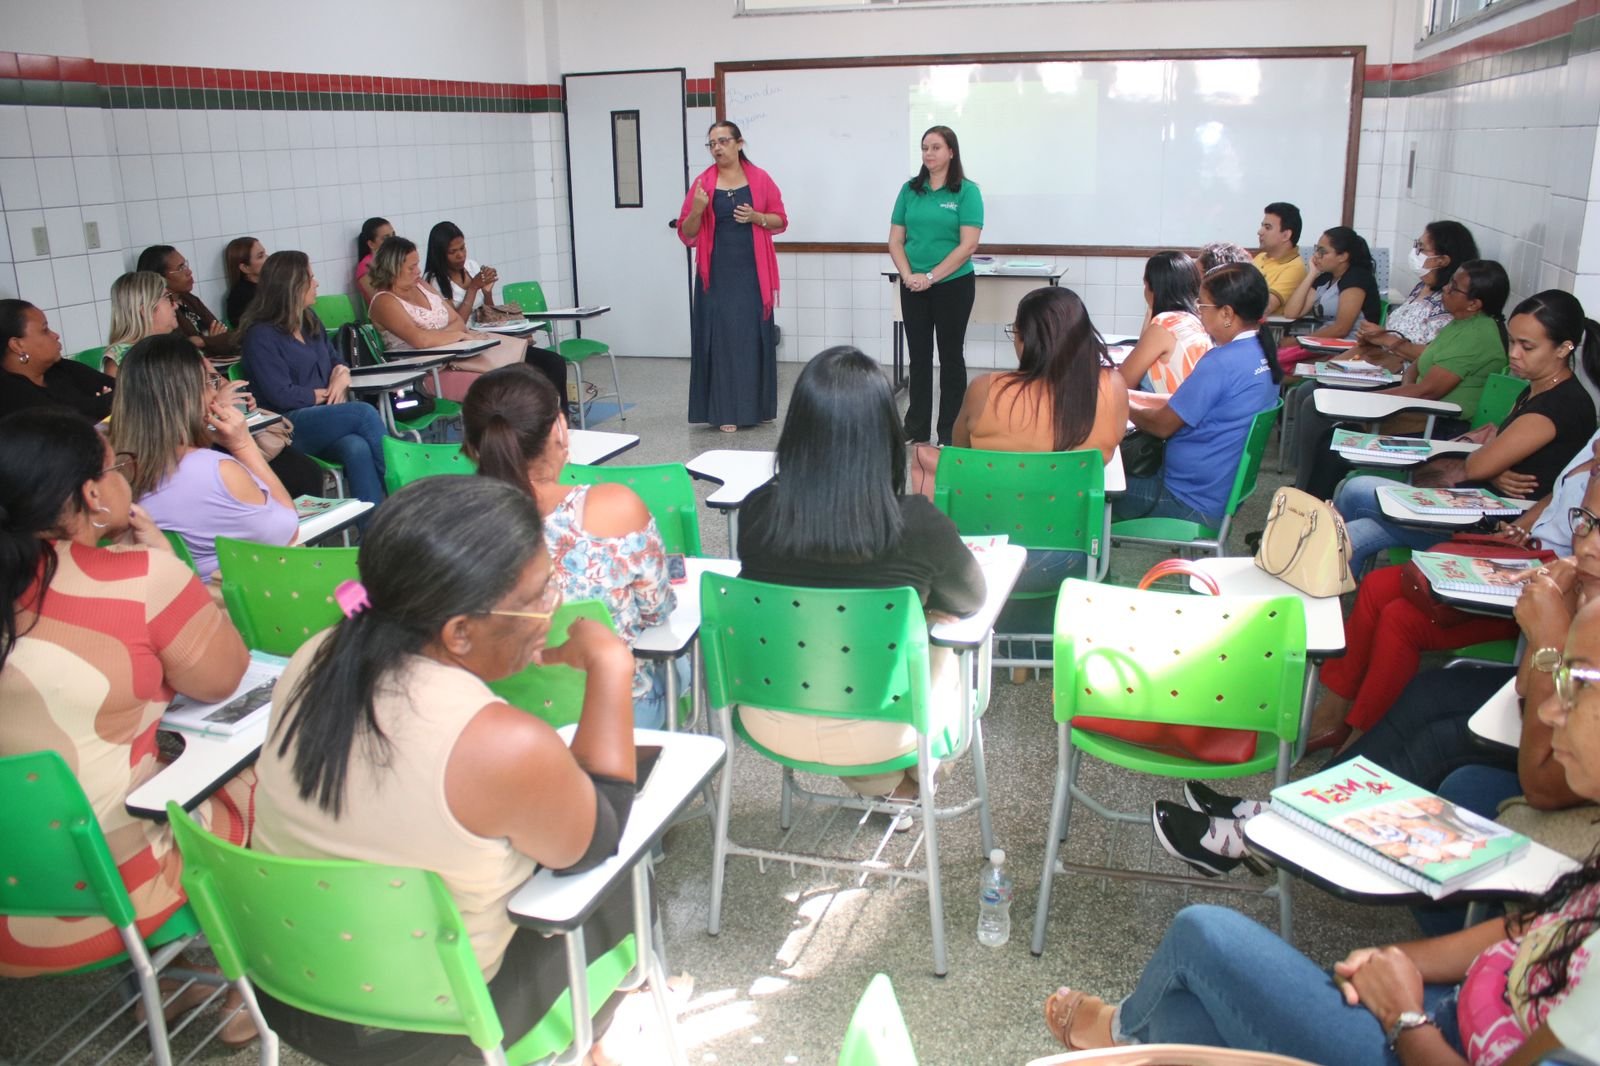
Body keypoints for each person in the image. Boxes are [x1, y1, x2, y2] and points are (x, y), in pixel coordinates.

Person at [1046, 597, 1600, 1066]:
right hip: (1465, 1005)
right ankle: (1278, 822)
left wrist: (1404, 1016)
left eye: (1578, 681)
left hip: (1431, 1038)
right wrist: (1394, 961)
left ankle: (1118, 1027)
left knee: (1201, 935)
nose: (1552, 712)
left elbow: (1542, 792)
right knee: (1185, 1015)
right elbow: (1532, 928)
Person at [250, 476, 640, 1064]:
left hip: (292, 991)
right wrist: (612, 666)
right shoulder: (497, 743)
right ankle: (590, 1047)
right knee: (623, 886)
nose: (551, 607)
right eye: (539, 595)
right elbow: (596, 837)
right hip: (434, 1028)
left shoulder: (317, 654)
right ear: (459, 631)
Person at [1156, 455, 1600, 877]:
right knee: (1427, 693)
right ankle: (1288, 809)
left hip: (1555, 757)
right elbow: (1525, 689)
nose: (1589, 544)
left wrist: (1549, 638)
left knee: (1442, 740)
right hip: (1545, 694)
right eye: (1586, 521)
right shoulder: (1578, 585)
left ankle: (1269, 838)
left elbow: (1543, 778)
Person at [0, 409, 255, 981]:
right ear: (92, 495)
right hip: (111, 897)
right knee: (272, 774)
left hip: (10, 902)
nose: (125, 481)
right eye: (117, 469)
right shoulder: (141, 578)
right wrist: (168, 567)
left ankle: (168, 981)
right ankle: (261, 984)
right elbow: (223, 677)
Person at [735, 346, 985, 803]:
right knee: (946, 634)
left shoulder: (754, 513)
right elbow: (971, 599)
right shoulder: (916, 524)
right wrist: (925, 611)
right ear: (884, 435)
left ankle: (889, 789)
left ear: (797, 431)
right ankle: (904, 786)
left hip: (768, 718)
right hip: (881, 731)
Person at [463, 363, 681, 728]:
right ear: (560, 428)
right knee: (687, 655)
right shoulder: (615, 506)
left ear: (473, 446)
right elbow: (655, 613)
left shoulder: (447, 519)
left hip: (500, 716)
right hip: (612, 715)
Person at [1331, 287, 1596, 575]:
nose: (1514, 354)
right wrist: (1493, 468)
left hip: (1496, 521)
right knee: (1355, 522)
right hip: (1479, 503)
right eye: (1511, 342)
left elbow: (1477, 464)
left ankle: (1345, 584)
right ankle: (1343, 588)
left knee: (1355, 496)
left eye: (1527, 347)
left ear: (1563, 348)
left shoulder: (1558, 406)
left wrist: (1489, 467)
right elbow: (1489, 456)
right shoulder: (1537, 388)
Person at [951, 286, 1127, 629]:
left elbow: (959, 454)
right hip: (1070, 556)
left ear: (1025, 340)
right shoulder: (1112, 388)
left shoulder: (986, 390)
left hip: (982, 553)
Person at [1294, 258, 1514, 501]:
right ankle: (1304, 507)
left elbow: (1429, 392)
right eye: (1450, 282)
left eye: (1454, 287)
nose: (1446, 289)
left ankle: (1310, 515)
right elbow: (1417, 369)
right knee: (1334, 434)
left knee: (1334, 444)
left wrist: (1366, 401)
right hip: (1420, 413)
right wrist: (1396, 392)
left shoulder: (1477, 335)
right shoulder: (1459, 324)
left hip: (1441, 426)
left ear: (1474, 303)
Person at [109, 334, 297, 582]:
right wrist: (242, 445)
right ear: (187, 397)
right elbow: (288, 531)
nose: (213, 395)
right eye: (208, 384)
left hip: (173, 604)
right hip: (242, 609)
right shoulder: (215, 470)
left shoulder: (111, 473)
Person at [1118, 263, 1281, 531]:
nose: (1198, 311)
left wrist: (1119, 401)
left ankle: (1088, 567)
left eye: (1203, 306)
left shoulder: (1220, 363)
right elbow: (1181, 402)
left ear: (1227, 313)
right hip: (1219, 494)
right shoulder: (1259, 352)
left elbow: (1162, 426)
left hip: (1184, 500)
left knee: (1090, 487)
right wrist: (1129, 397)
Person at [239, 251, 388, 509]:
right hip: (288, 424)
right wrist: (328, 393)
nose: (316, 283)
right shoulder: (261, 336)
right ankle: (409, 490)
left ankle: (373, 535)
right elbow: (281, 394)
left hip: (324, 417)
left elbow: (336, 360)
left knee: (357, 447)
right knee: (363, 413)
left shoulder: (309, 321)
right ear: (291, 286)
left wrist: (341, 376)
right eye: (310, 277)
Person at [678, 121, 787, 433]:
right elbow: (687, 233)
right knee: (724, 339)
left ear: (739, 144)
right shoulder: (703, 183)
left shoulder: (760, 179)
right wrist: (698, 209)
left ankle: (759, 408)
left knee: (753, 336)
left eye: (723, 141)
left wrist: (757, 217)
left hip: (753, 273)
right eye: (712, 143)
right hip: (717, 275)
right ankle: (726, 410)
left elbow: (781, 219)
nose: (717, 147)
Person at [366, 236, 568, 403]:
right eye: (411, 268)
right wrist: (457, 336)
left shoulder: (420, 286)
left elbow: (457, 322)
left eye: (417, 264)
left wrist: (452, 335)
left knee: (552, 363)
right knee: (503, 386)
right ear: (392, 269)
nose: (417, 271)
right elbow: (420, 341)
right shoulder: (385, 302)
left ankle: (562, 430)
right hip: (428, 371)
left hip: (463, 355)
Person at [888, 125, 984, 446]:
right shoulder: (910, 190)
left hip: (952, 286)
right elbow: (896, 241)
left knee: (951, 357)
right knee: (919, 357)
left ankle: (950, 432)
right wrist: (908, 275)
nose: (929, 153)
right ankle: (916, 428)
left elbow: (968, 245)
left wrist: (931, 277)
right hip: (913, 285)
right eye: (925, 148)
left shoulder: (967, 192)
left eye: (936, 147)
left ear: (951, 152)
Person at [1356, 221, 1479, 371]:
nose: (1415, 252)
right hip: (1383, 365)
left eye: (1421, 248)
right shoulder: (1422, 287)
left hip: (1407, 377)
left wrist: (1386, 339)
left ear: (1442, 260)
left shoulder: (1450, 301)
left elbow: (1436, 355)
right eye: (1416, 245)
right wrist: (1373, 336)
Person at [0, 299, 114, 421]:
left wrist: (104, 402)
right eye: (45, 330)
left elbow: (125, 389)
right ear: (17, 345)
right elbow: (67, 422)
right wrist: (105, 403)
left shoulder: (59, 368)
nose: (55, 335)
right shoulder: (10, 394)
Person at [1117, 252, 1215, 394]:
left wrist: (1152, 306)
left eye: (1145, 285)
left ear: (1153, 289)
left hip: (1169, 413)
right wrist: (1152, 308)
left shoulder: (1165, 325)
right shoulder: (1198, 319)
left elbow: (1123, 382)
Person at [1279, 225, 1383, 344]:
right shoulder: (1326, 278)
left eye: (1323, 252)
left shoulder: (1356, 278)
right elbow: (1291, 313)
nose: (1316, 256)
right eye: (1317, 249)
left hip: (1351, 346)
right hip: (1325, 343)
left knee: (1282, 354)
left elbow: (1341, 329)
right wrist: (1311, 274)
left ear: (1342, 256)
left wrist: (1300, 341)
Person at [136, 245, 239, 359]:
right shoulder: (162, 314)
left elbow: (229, 338)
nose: (189, 271)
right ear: (161, 278)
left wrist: (203, 341)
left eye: (185, 265)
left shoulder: (190, 299)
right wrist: (212, 341)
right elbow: (184, 349)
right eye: (181, 268)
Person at [103, 270, 180, 376]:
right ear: (146, 310)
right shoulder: (119, 362)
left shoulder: (173, 345)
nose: (175, 305)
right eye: (167, 298)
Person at [424, 220, 500, 321]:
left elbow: (491, 318)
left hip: (484, 332)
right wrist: (473, 287)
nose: (461, 255)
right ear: (439, 255)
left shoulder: (472, 266)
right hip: (462, 335)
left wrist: (487, 293)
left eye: (462, 248)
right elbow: (456, 323)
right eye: (452, 252)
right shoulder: (433, 281)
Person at [1252, 202, 1307, 316]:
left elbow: (1265, 307)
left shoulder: (1295, 267)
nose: (1259, 232)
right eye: (1262, 226)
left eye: (1267, 227)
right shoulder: (1260, 257)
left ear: (1286, 235)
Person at [223, 235, 267, 326]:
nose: (268, 258)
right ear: (245, 268)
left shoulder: (269, 284)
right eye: (260, 256)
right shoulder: (241, 295)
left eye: (265, 253)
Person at [353, 215, 392, 306]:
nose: (393, 240)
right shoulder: (365, 267)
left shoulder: (393, 260)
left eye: (393, 235)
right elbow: (379, 300)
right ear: (371, 244)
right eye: (386, 238)